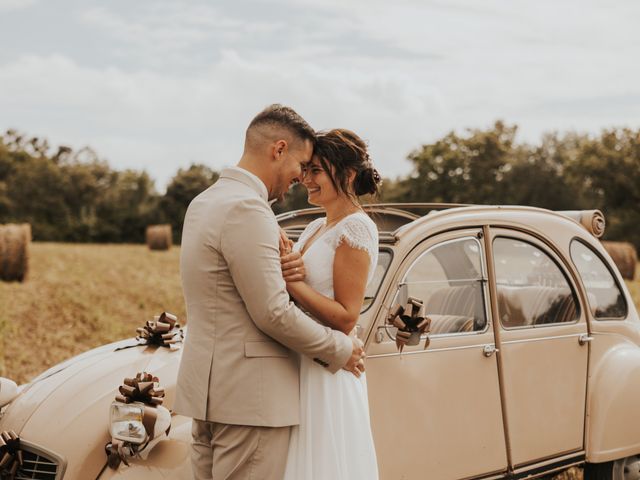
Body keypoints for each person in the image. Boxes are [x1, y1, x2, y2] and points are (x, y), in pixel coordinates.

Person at [174, 105, 365, 480]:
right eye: (301, 164)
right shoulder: (248, 209)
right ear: (279, 149)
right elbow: (272, 312)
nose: (299, 178)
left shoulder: (204, 202)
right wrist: (340, 350)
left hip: (207, 394)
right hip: (251, 400)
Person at [280, 128, 382, 479]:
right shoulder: (315, 227)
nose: (305, 179)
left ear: (348, 174)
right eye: (305, 170)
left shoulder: (356, 229)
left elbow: (345, 317)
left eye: (316, 171)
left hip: (327, 371)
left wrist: (292, 284)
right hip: (303, 360)